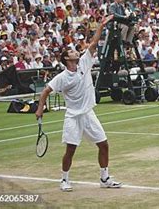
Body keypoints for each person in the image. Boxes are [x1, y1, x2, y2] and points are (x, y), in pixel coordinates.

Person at [35, 15, 122, 192]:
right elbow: (45, 91)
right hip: (73, 117)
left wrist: (101, 26)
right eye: (72, 52)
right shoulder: (62, 78)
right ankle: (64, 179)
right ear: (67, 59)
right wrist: (39, 108)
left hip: (88, 113)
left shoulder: (84, 62)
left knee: (104, 144)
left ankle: (104, 178)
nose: (76, 52)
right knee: (71, 149)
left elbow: (94, 43)